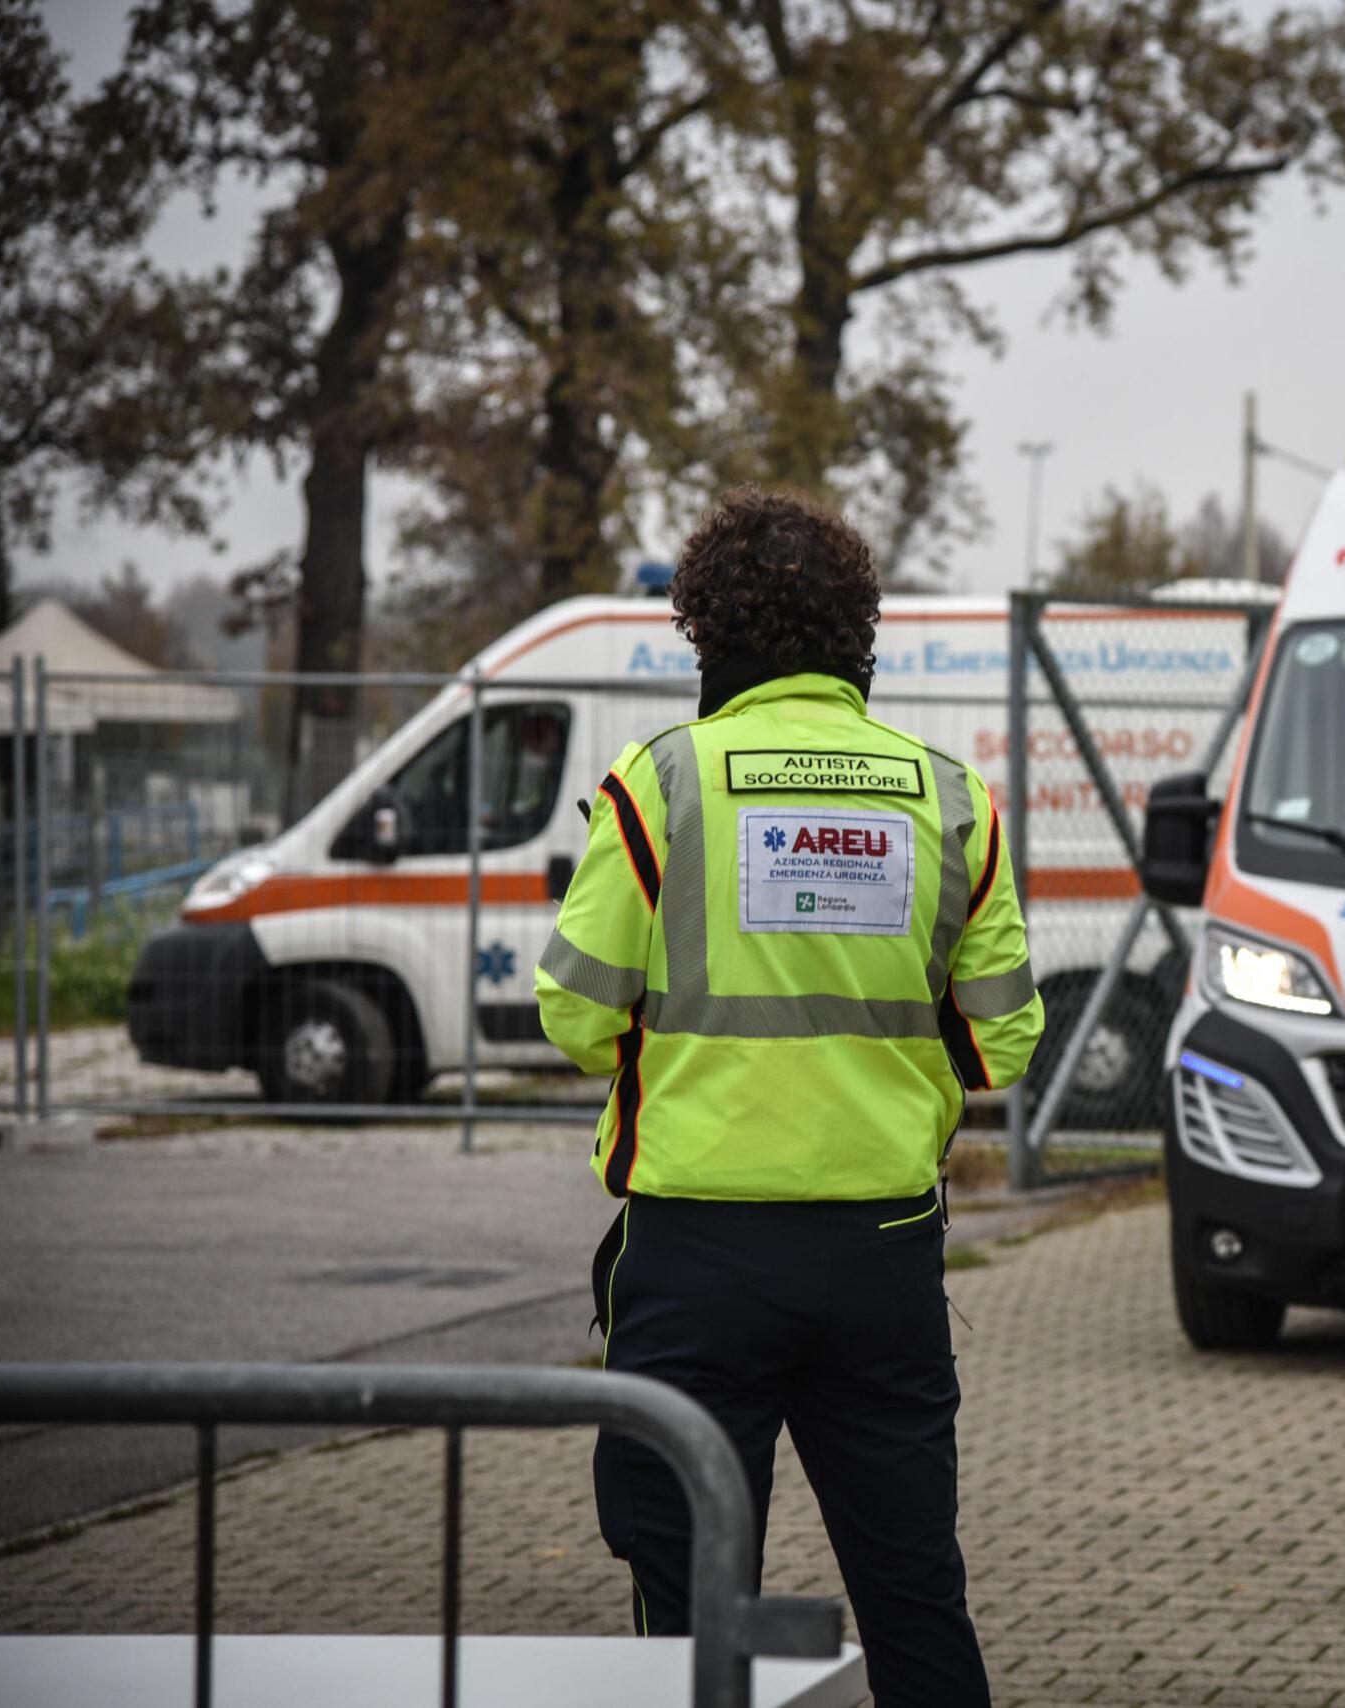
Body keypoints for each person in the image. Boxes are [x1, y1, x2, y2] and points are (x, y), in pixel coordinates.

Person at [536, 487, 1042, 1706]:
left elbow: (574, 1013)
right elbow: (1005, 1039)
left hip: (698, 1254)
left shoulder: (661, 784)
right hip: (882, 1251)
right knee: (916, 1594)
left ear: (704, 629)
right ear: (860, 627)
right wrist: (893, 1079)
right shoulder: (951, 797)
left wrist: (689, 1067)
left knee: (696, 1608)